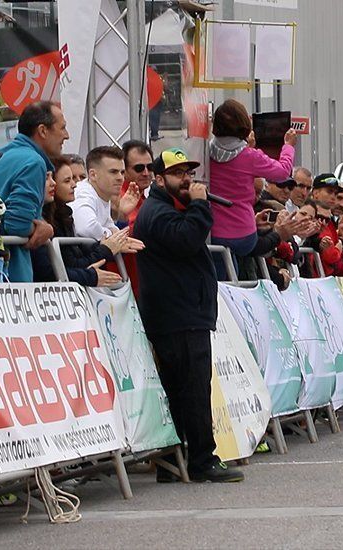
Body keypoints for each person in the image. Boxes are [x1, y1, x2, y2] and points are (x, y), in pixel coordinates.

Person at [133, 147, 243, 483]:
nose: (187, 179)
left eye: (190, 173)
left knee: (187, 387)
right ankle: (200, 460)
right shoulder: (156, 213)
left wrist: (195, 206)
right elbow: (186, 239)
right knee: (192, 388)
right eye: (179, 173)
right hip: (177, 315)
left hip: (185, 312)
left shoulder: (167, 209)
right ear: (159, 177)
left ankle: (179, 459)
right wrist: (199, 205)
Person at [208, 99, 296, 277]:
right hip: (243, 234)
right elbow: (282, 172)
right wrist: (288, 146)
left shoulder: (205, 151)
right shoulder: (250, 156)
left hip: (213, 232)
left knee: (221, 275)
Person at [0, 100, 68, 281]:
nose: (67, 136)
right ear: (43, 131)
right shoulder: (33, 163)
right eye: (62, 128)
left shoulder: (0, 156)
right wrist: (46, 229)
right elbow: (18, 224)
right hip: (10, 277)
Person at [34, 156, 139, 286]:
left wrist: (112, 244)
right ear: (93, 174)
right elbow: (59, 269)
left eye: (122, 172)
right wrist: (106, 249)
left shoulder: (64, 215)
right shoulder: (53, 218)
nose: (75, 184)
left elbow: (80, 257)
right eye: (68, 180)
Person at [70, 146, 125, 240]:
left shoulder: (103, 193)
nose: (120, 178)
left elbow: (108, 223)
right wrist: (113, 236)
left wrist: (114, 231)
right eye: (113, 172)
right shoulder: (83, 193)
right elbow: (86, 228)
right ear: (93, 175)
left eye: (122, 172)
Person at [117, 139, 154, 229]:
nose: (146, 173)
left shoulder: (146, 195)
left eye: (150, 167)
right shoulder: (116, 197)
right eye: (139, 168)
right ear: (124, 171)